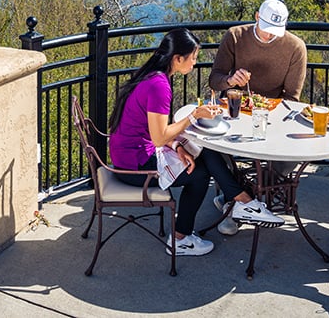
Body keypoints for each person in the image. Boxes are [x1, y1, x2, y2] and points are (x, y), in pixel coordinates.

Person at [108, 28, 283, 258]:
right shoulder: (159, 86)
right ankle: (185, 237)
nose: (195, 62)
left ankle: (242, 201)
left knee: (203, 154)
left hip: (128, 155)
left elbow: (153, 132)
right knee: (200, 175)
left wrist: (178, 147)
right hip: (133, 167)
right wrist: (194, 116)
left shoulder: (152, 77)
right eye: (193, 57)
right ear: (177, 58)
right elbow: (159, 136)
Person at [206, 0, 307, 234]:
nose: (270, 36)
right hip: (235, 111)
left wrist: (267, 111)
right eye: (266, 29)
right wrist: (230, 80)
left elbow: (292, 98)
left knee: (295, 151)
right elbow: (215, 78)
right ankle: (241, 199)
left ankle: (239, 198)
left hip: (273, 115)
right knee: (210, 146)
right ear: (256, 17)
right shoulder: (235, 36)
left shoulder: (295, 47)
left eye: (276, 32)